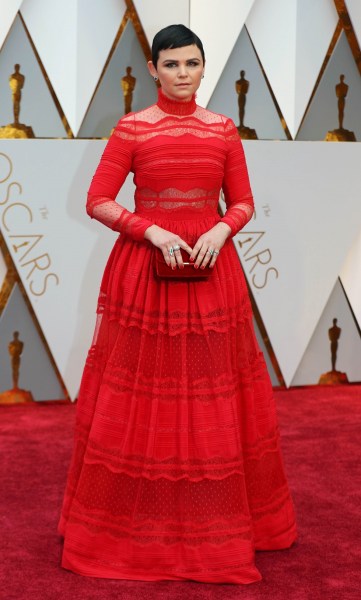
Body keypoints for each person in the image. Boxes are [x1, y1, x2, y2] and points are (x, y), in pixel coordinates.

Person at [58, 24, 297, 584]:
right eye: (172, 65)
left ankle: (219, 526)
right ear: (153, 69)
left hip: (213, 272)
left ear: (203, 66)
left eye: (192, 63)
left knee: (212, 394)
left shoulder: (223, 130)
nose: (183, 74)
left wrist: (220, 231)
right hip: (144, 271)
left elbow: (242, 202)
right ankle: (134, 528)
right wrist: (153, 232)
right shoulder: (132, 128)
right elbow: (96, 200)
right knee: (144, 395)